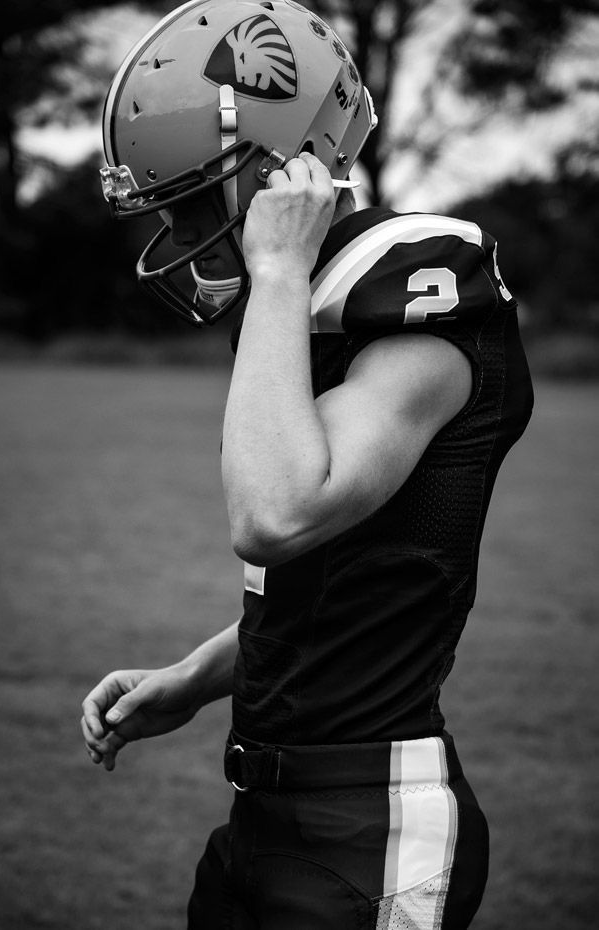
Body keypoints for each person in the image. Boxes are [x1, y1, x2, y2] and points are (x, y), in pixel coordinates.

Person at [82, 2, 534, 928]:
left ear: (279, 165)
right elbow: (319, 589)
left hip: (371, 824)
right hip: (265, 815)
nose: (177, 226)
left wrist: (280, 274)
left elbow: (277, 515)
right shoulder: (306, 310)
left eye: (190, 195)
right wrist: (195, 679)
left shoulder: (419, 295)